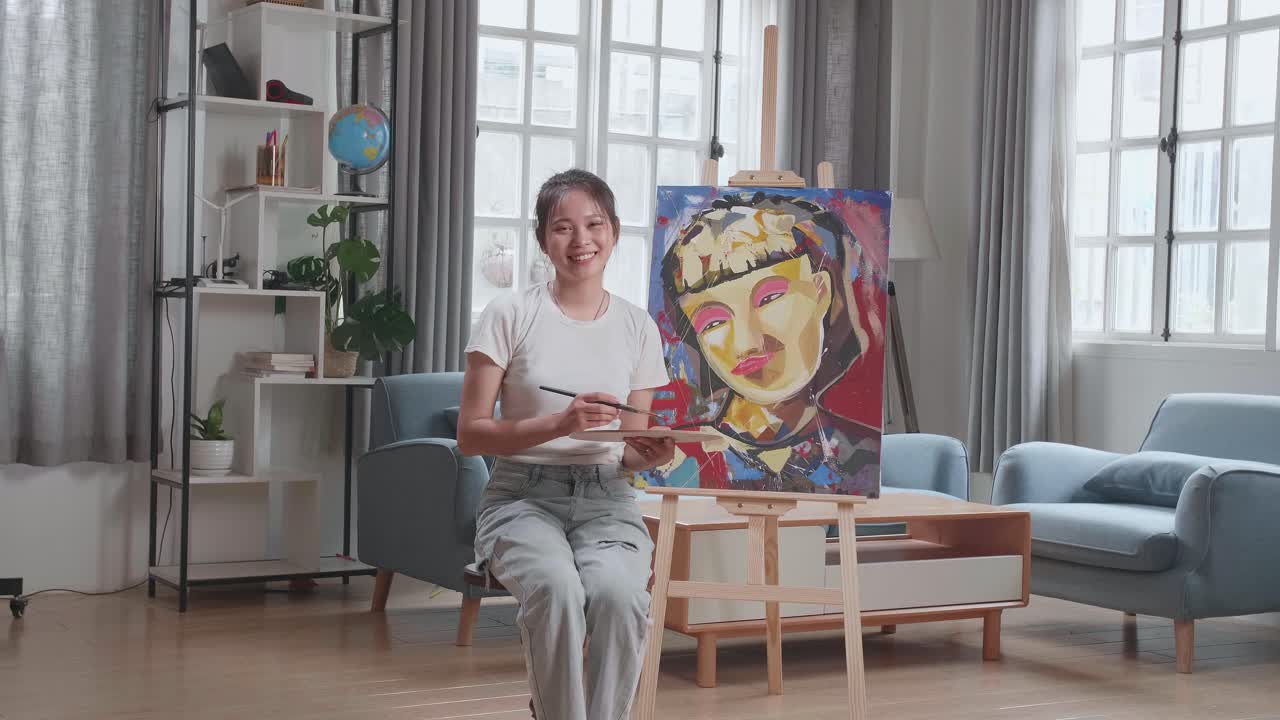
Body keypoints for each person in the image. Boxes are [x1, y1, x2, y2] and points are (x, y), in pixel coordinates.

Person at [457, 169, 675, 720]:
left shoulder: (639, 327)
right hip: (520, 496)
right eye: (563, 228)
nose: (581, 241)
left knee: (621, 597)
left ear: (615, 231)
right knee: (556, 590)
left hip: (607, 498)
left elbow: (628, 446)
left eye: (594, 225)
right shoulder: (509, 314)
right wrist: (561, 424)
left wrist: (651, 453)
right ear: (542, 239)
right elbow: (470, 435)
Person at [651, 191, 887, 495]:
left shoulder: (863, 457)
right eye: (713, 322)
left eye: (770, 298)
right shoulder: (673, 461)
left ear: (821, 293)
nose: (749, 340)